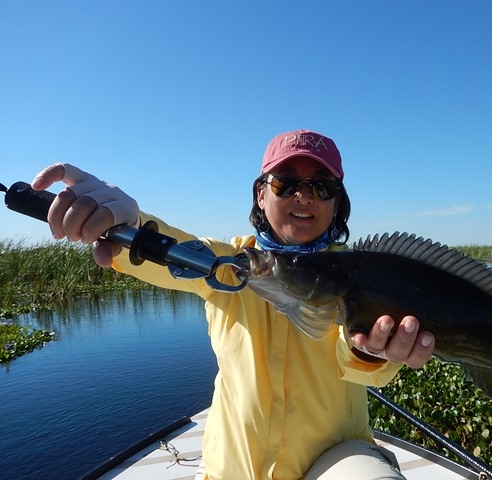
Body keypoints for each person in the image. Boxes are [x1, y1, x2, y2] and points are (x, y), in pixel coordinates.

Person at [32, 129, 436, 480]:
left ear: (336, 202)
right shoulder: (228, 265)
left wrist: (371, 354)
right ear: (261, 194)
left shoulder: (359, 278)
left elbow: (365, 371)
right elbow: (167, 249)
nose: (303, 195)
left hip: (335, 460)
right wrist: (124, 224)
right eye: (286, 182)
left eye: (322, 186)